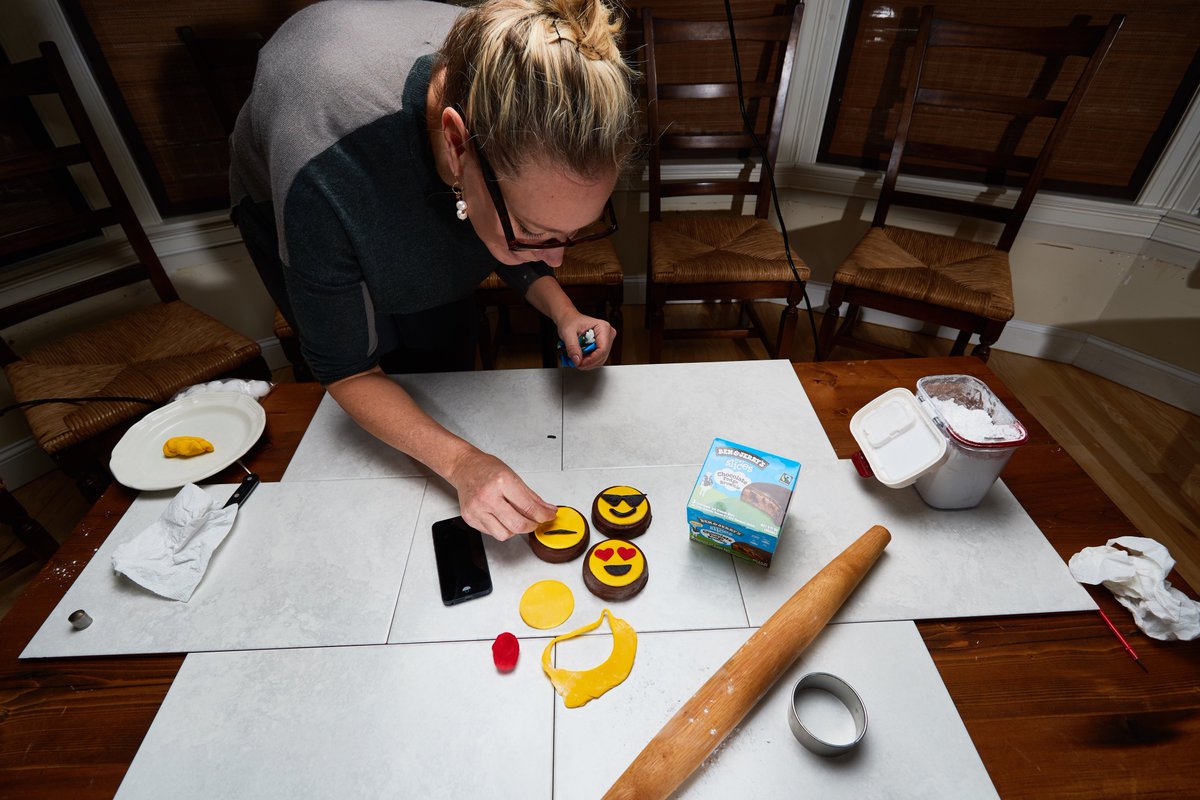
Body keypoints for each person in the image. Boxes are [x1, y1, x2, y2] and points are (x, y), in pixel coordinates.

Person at [229, 0, 638, 540]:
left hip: (435, 168)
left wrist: (562, 311)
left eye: (570, 235)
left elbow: (502, 227)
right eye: (537, 233)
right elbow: (348, 369)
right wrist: (463, 464)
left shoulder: (510, 77)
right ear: (456, 143)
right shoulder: (322, 165)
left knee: (441, 343)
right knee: (370, 358)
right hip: (306, 163)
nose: (556, 258)